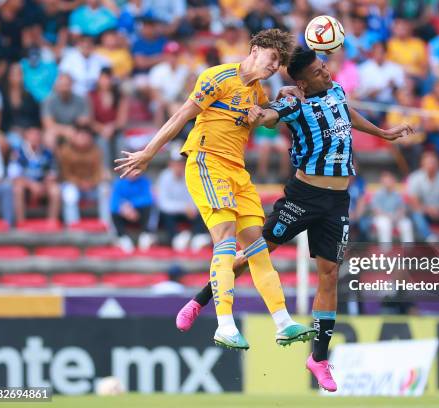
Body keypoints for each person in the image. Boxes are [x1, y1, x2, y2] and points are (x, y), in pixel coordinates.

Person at [173, 46, 413, 391]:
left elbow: (345, 113)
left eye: (325, 67)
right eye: (317, 72)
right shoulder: (292, 102)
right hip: (303, 196)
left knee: (329, 275)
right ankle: (199, 302)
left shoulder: (336, 90)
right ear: (301, 81)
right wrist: (260, 113)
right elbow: (270, 116)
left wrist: (382, 133)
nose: (326, 73)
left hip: (337, 200)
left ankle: (318, 359)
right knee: (257, 250)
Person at [114, 29, 315, 351]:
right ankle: (225, 324)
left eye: (279, 64)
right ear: (254, 49)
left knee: (257, 248)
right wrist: (150, 152)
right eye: (272, 58)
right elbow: (182, 114)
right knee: (225, 237)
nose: (274, 66)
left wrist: (277, 103)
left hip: (238, 172)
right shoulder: (217, 76)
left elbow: (267, 119)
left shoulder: (257, 92)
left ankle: (283, 322)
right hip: (208, 163)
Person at [57, 125, 109, 226]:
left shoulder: (96, 151)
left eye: (85, 136)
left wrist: (91, 183)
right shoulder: (65, 151)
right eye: (80, 136)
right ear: (74, 137)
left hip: (92, 187)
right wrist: (79, 183)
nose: (83, 139)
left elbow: (100, 171)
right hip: (72, 185)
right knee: (70, 195)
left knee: (105, 190)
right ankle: (73, 226)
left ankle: (106, 225)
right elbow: (65, 173)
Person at [8, 127, 60, 225]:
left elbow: (53, 173)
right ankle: (21, 222)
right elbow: (14, 175)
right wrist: (31, 185)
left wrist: (43, 185)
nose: (34, 137)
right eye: (31, 134)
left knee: (55, 190)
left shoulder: (47, 152)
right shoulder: (18, 152)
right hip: (25, 186)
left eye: (37, 134)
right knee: (17, 189)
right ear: (25, 137)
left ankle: (52, 222)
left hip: (43, 185)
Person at [372, 171, 414, 243]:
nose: (387, 183)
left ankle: (408, 251)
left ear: (393, 181)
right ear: (382, 182)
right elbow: (376, 210)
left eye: (389, 180)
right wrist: (389, 216)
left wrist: (397, 215)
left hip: (396, 217)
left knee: (406, 223)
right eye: (385, 181)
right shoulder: (378, 194)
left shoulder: (397, 194)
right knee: (385, 224)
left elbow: (402, 208)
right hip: (382, 217)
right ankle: (386, 251)